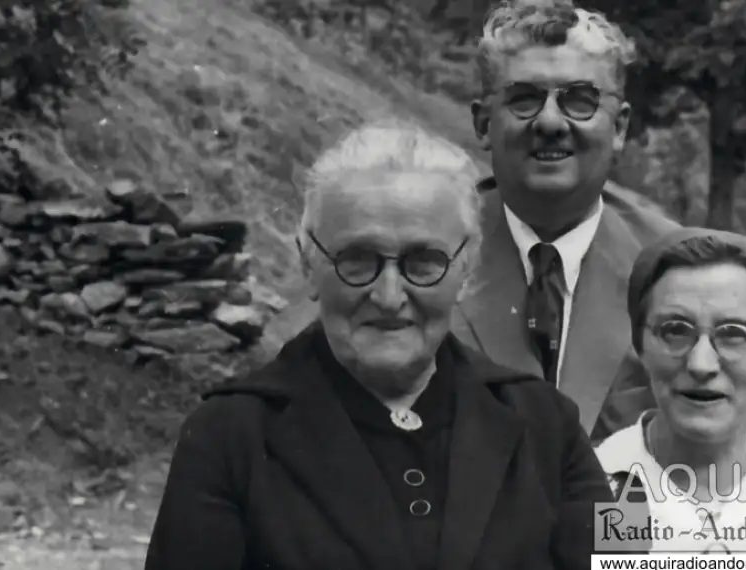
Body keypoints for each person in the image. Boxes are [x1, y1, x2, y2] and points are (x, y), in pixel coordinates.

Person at [144, 119, 613, 570]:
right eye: (357, 260)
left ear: (465, 270)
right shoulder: (227, 437)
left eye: (424, 263)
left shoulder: (550, 423)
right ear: (310, 265)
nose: (389, 297)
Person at [260, 0, 691, 444]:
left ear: (619, 128)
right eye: (524, 100)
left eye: (579, 101)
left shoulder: (677, 268)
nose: (549, 121)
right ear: (484, 123)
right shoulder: (415, 245)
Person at [593, 227, 746, 561]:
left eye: (734, 334)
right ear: (639, 345)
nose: (701, 364)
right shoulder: (587, 491)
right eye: (675, 330)